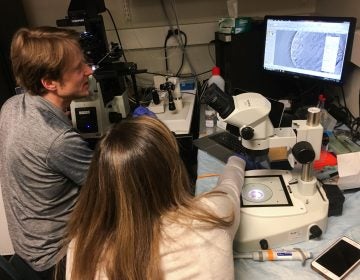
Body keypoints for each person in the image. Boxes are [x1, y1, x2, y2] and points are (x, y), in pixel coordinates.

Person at [65, 116, 246, 280]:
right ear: (172, 169)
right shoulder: (209, 217)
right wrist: (237, 160)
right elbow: (229, 186)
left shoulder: (81, 246)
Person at [0, 26, 94, 278]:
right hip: (57, 260)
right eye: (78, 68)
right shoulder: (58, 141)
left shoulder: (11, 107)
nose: (88, 70)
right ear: (50, 82)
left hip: (26, 250)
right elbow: (108, 184)